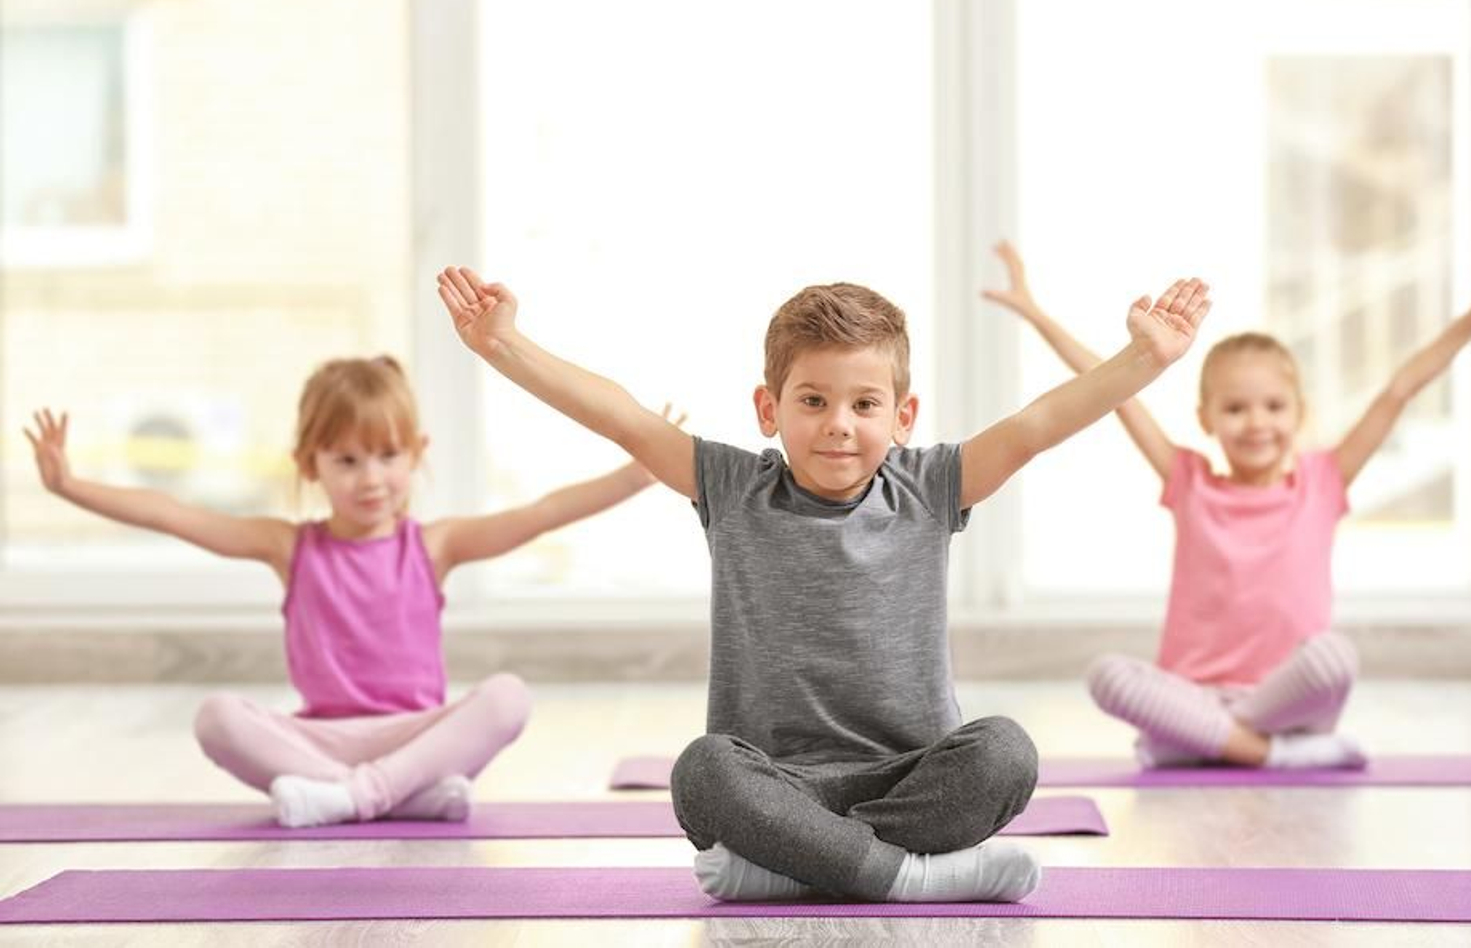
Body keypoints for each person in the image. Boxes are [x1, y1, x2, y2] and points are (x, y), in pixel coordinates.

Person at [438, 265, 1210, 901]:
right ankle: (905, 877)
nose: (839, 422)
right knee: (703, 772)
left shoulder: (932, 484)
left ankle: (798, 865)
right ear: (768, 408)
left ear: (902, 414)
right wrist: (505, 344)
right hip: (775, 783)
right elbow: (625, 421)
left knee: (1005, 752)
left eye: (864, 403)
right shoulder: (733, 486)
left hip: (912, 778)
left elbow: (1041, 424)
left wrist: (1145, 360)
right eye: (813, 400)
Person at [24, 355, 674, 826]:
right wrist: (70, 486)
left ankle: (353, 796)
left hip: (422, 738)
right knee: (215, 715)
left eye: (388, 456)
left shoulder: (434, 544)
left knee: (508, 696)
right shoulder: (289, 546)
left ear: (415, 453)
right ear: (310, 465)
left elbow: (543, 511)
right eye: (347, 460)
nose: (372, 478)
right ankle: (394, 796)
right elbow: (174, 514)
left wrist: (634, 474)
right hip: (320, 743)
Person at [984, 237, 1471, 770]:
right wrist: (1035, 312)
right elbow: (1114, 392)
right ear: (1206, 418)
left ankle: (1206, 743)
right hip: (1195, 696)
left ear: (1298, 412)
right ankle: (1270, 754)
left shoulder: (1322, 482)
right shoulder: (1189, 481)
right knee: (1108, 676)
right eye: (1235, 408)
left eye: (1273, 406)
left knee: (1335, 658)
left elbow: (1398, 390)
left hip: (1287, 700)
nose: (1257, 422)